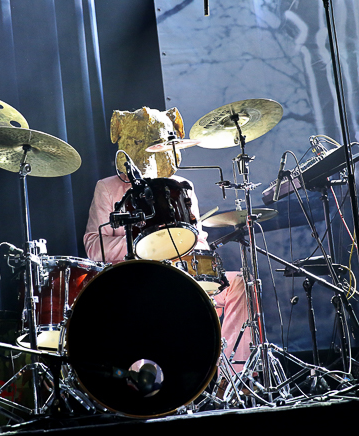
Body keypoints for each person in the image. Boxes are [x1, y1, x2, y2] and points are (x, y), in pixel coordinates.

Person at [83, 106, 250, 372]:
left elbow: (197, 238)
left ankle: (231, 374)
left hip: (181, 274)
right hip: (135, 278)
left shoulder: (181, 186)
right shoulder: (107, 187)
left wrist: (195, 254)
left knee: (240, 283)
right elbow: (94, 245)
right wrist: (144, 247)